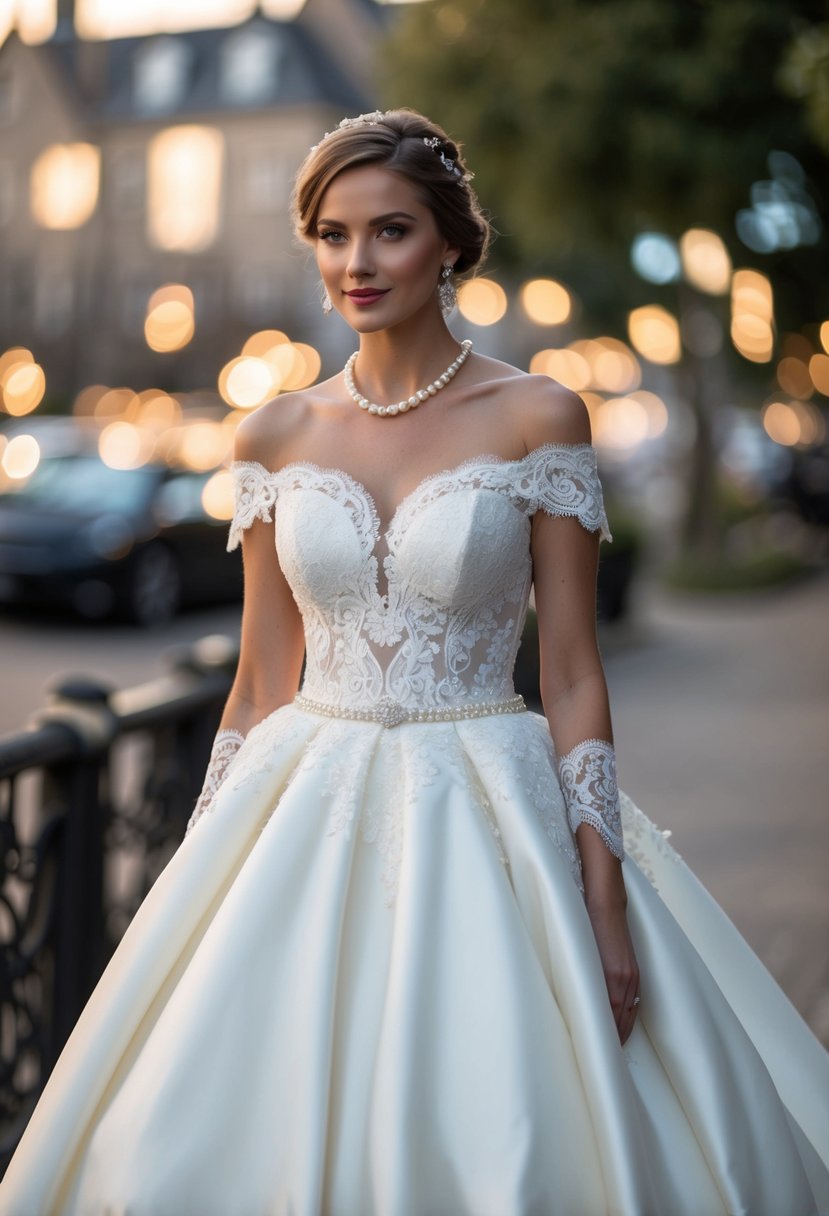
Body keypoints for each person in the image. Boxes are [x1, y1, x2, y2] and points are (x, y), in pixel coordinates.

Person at [1, 108, 827, 1216]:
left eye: (388, 231)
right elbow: (257, 680)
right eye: (332, 235)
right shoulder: (273, 433)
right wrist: (195, 882)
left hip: (490, 796)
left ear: (449, 241)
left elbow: (574, 672)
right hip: (304, 794)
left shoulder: (538, 414)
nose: (356, 262)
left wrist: (603, 894)